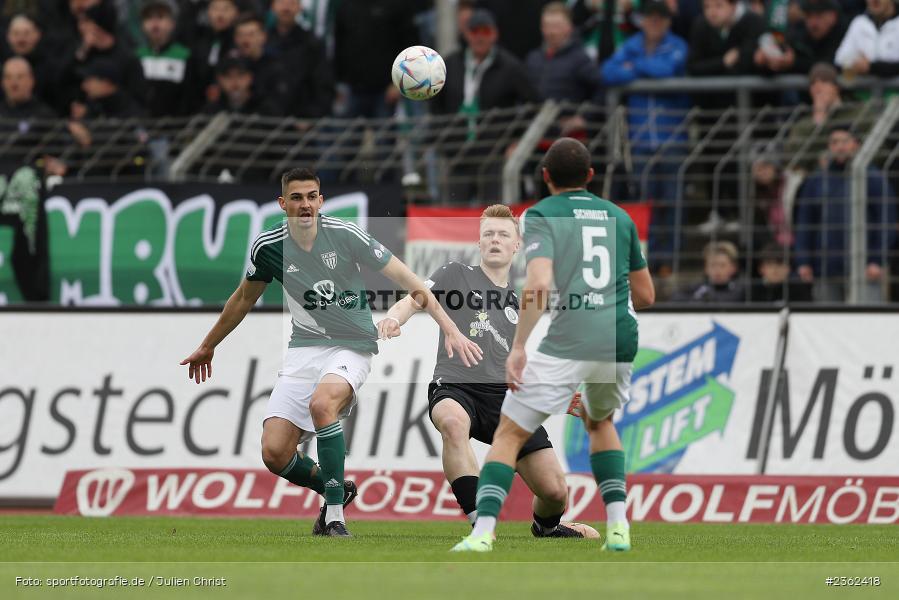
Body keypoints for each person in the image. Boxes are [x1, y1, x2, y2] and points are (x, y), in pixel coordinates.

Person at [181, 167, 482, 537]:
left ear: (321, 200)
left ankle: (335, 516)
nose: (305, 204)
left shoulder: (346, 234)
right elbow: (243, 299)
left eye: (311, 196)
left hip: (352, 344)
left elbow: (411, 281)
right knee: (274, 453)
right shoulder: (268, 246)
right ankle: (333, 487)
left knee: (323, 405)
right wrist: (208, 345)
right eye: (296, 198)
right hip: (303, 350)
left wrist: (449, 326)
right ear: (282, 203)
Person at [450, 138, 655, 552]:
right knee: (601, 424)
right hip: (619, 336)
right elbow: (647, 296)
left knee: (508, 435)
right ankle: (618, 528)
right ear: (591, 177)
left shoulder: (541, 214)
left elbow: (539, 284)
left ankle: (483, 534)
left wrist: (520, 346)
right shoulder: (620, 217)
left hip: (569, 336)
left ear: (544, 177)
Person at [379, 205, 584, 538]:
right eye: (488, 233)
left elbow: (519, 365)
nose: (495, 240)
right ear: (479, 242)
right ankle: (480, 525)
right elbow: (414, 297)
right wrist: (394, 317)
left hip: (504, 398)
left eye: (503, 234)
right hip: (456, 385)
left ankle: (547, 528)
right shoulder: (455, 273)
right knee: (452, 422)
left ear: (517, 244)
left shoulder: (521, 302)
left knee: (555, 491)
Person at [601, 0, 690, 273]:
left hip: (672, 139)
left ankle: (670, 262)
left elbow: (666, 71)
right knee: (644, 202)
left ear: (667, 21)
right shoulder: (632, 43)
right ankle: (645, 262)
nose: (653, 23)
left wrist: (634, 67)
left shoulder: (677, 45)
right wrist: (643, 65)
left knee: (673, 203)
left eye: (658, 19)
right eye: (649, 18)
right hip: (640, 141)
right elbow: (607, 72)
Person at [793, 125, 896, 302]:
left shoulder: (874, 178)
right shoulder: (816, 181)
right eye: (834, 142)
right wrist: (803, 260)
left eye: (845, 141)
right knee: (827, 322)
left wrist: (877, 259)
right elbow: (805, 222)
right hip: (825, 267)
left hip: (864, 267)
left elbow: (886, 220)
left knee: (867, 318)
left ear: (856, 144)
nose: (840, 147)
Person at [784, 63, 863, 175]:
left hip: (854, 176)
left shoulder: (858, 113)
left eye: (824, 82)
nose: (818, 88)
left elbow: (877, 150)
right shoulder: (804, 124)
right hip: (816, 181)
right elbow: (793, 162)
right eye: (813, 84)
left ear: (836, 87)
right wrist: (817, 122)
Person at [525, 2, 602, 104]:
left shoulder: (580, 59)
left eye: (556, 26)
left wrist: (585, 116)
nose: (551, 32)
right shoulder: (533, 58)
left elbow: (601, 89)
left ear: (569, 27)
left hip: (563, 116)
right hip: (534, 118)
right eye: (547, 25)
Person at [136, 0, 201, 117]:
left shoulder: (185, 56)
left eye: (160, 17)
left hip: (175, 125)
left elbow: (190, 96)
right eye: (149, 18)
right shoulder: (137, 56)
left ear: (172, 23)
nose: (154, 23)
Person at [835, 0, 899, 77]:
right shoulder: (859, 23)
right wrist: (855, 64)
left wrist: (872, 67)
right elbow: (839, 61)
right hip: (863, 88)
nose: (874, 1)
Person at [673, 241, 747, 302]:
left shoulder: (743, 291)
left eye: (722, 265)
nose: (717, 270)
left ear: (733, 268)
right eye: (712, 265)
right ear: (705, 268)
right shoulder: (695, 289)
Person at [749, 242, 813, 303]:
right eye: (769, 264)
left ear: (789, 268)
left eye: (779, 264)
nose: (774, 269)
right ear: (761, 269)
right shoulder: (752, 291)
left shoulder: (800, 290)